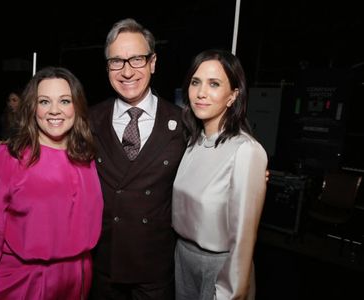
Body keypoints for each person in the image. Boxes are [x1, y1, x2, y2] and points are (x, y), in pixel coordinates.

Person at [0, 66, 104, 300]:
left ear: (77, 106)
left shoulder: (86, 157)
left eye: (65, 101)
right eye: (44, 102)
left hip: (79, 279)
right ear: (32, 108)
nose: (55, 110)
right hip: (25, 282)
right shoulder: (8, 156)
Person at [88, 18, 187, 300]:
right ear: (107, 67)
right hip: (104, 264)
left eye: (137, 59)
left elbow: (216, 150)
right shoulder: (89, 120)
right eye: (117, 61)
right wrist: (12, 150)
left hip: (155, 267)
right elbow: (50, 147)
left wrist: (247, 167)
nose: (127, 71)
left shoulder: (183, 123)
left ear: (153, 62)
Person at [172, 49, 268, 300]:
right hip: (183, 257)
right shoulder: (193, 142)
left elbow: (244, 240)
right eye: (196, 82)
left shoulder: (245, 150)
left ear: (233, 96)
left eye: (214, 84)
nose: (201, 93)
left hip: (219, 267)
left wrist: (231, 292)